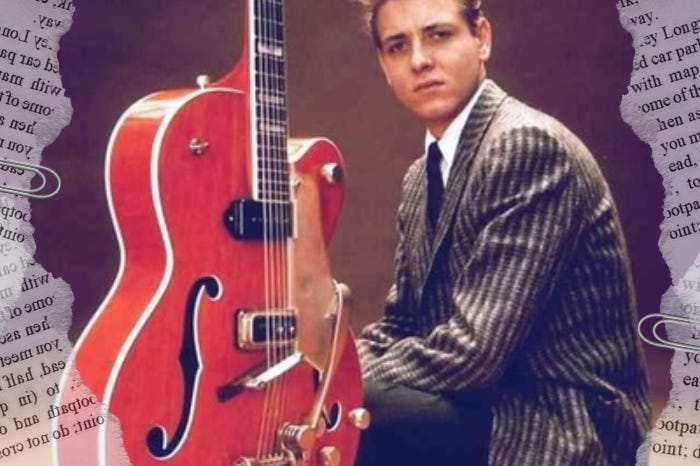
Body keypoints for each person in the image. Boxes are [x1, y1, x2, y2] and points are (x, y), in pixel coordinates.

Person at [352, 0, 650, 465]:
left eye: (438, 35)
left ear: (482, 38)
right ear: (384, 67)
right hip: (487, 406)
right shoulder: (420, 177)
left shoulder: (527, 145)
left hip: (561, 423)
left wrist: (340, 383)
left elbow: (475, 353)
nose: (419, 60)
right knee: (327, 408)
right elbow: (402, 323)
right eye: (398, 46)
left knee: (354, 411)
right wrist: (324, 370)